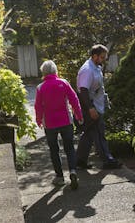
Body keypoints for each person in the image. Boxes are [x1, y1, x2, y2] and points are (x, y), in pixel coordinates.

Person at [34, 60, 84, 189]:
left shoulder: (40, 87)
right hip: (66, 121)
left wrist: (39, 120)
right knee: (69, 148)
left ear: (43, 73)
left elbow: (38, 106)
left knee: (54, 150)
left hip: (50, 123)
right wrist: (79, 115)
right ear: (55, 71)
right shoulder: (64, 82)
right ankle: (73, 171)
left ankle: (59, 177)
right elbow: (74, 100)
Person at [75, 44, 121, 169]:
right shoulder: (87, 70)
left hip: (96, 104)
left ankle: (79, 161)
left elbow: (98, 87)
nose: (104, 59)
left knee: (89, 133)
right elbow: (83, 90)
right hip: (91, 105)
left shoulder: (95, 66)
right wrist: (90, 108)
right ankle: (108, 160)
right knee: (99, 133)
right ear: (94, 56)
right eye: (102, 57)